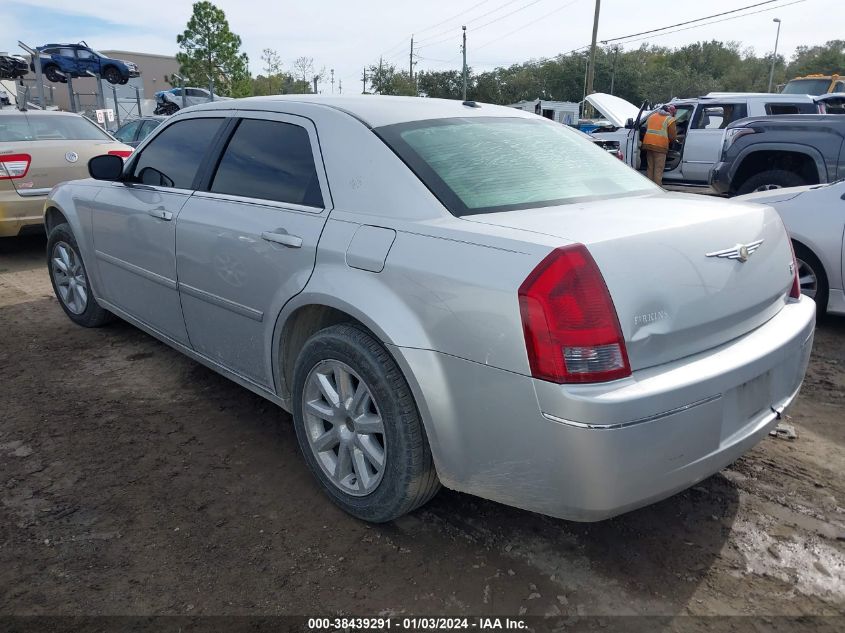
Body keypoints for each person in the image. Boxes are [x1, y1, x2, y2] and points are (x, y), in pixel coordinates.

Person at [642, 104, 677, 185]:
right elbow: (672, 136)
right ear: (669, 111)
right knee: (658, 169)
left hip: (648, 144)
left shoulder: (652, 116)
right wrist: (674, 141)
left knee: (650, 168)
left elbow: (645, 127)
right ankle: (657, 189)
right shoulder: (670, 119)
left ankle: (650, 187)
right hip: (660, 146)